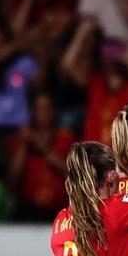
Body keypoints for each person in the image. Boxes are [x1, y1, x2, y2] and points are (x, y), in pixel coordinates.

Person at [62, 18, 128, 145]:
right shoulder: (96, 82)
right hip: (94, 154)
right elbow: (67, 65)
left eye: (114, 50)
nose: (110, 56)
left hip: (119, 157)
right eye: (106, 51)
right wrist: (81, 33)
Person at [0, 12, 39, 158]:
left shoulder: (22, 60)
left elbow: (39, 82)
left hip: (17, 128)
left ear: (2, 32)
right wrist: (18, 43)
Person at [9, 92, 76, 221]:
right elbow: (12, 177)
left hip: (59, 210)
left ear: (53, 112)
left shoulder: (66, 139)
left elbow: (71, 172)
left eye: (46, 108)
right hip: (28, 209)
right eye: (39, 108)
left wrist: (43, 148)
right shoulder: (22, 141)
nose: (43, 113)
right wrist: (24, 145)